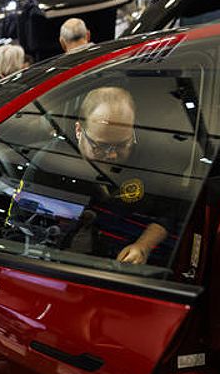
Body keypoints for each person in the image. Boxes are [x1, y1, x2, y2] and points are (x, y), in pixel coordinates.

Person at [72, 86, 168, 264]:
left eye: (122, 144)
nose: (113, 155)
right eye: (100, 146)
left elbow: (167, 214)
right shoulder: (48, 164)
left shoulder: (148, 163)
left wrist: (143, 246)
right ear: (79, 130)